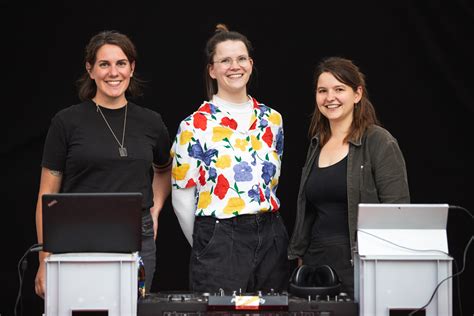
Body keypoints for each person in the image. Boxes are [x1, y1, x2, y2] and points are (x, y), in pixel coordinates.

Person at [34, 30, 172, 298]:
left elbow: (164, 168)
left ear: (131, 68)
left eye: (121, 63)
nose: (113, 72)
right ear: (90, 69)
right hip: (75, 235)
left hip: (137, 236)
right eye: (104, 64)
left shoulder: (151, 122)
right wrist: (44, 259)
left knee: (133, 311)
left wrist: (154, 210)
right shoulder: (66, 122)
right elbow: (45, 197)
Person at [171, 24, 289, 293]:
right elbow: (181, 196)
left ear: (250, 63)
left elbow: (272, 181)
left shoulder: (272, 120)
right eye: (225, 60)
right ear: (212, 69)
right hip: (220, 235)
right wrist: (208, 243)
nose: (234, 66)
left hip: (271, 234)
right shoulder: (194, 125)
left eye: (241, 58)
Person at [287, 57, 410, 298]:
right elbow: (310, 213)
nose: (329, 97)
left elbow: (398, 212)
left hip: (359, 264)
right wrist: (301, 260)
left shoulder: (379, 142)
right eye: (323, 91)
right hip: (315, 266)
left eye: (339, 89)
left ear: (357, 94)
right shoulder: (316, 144)